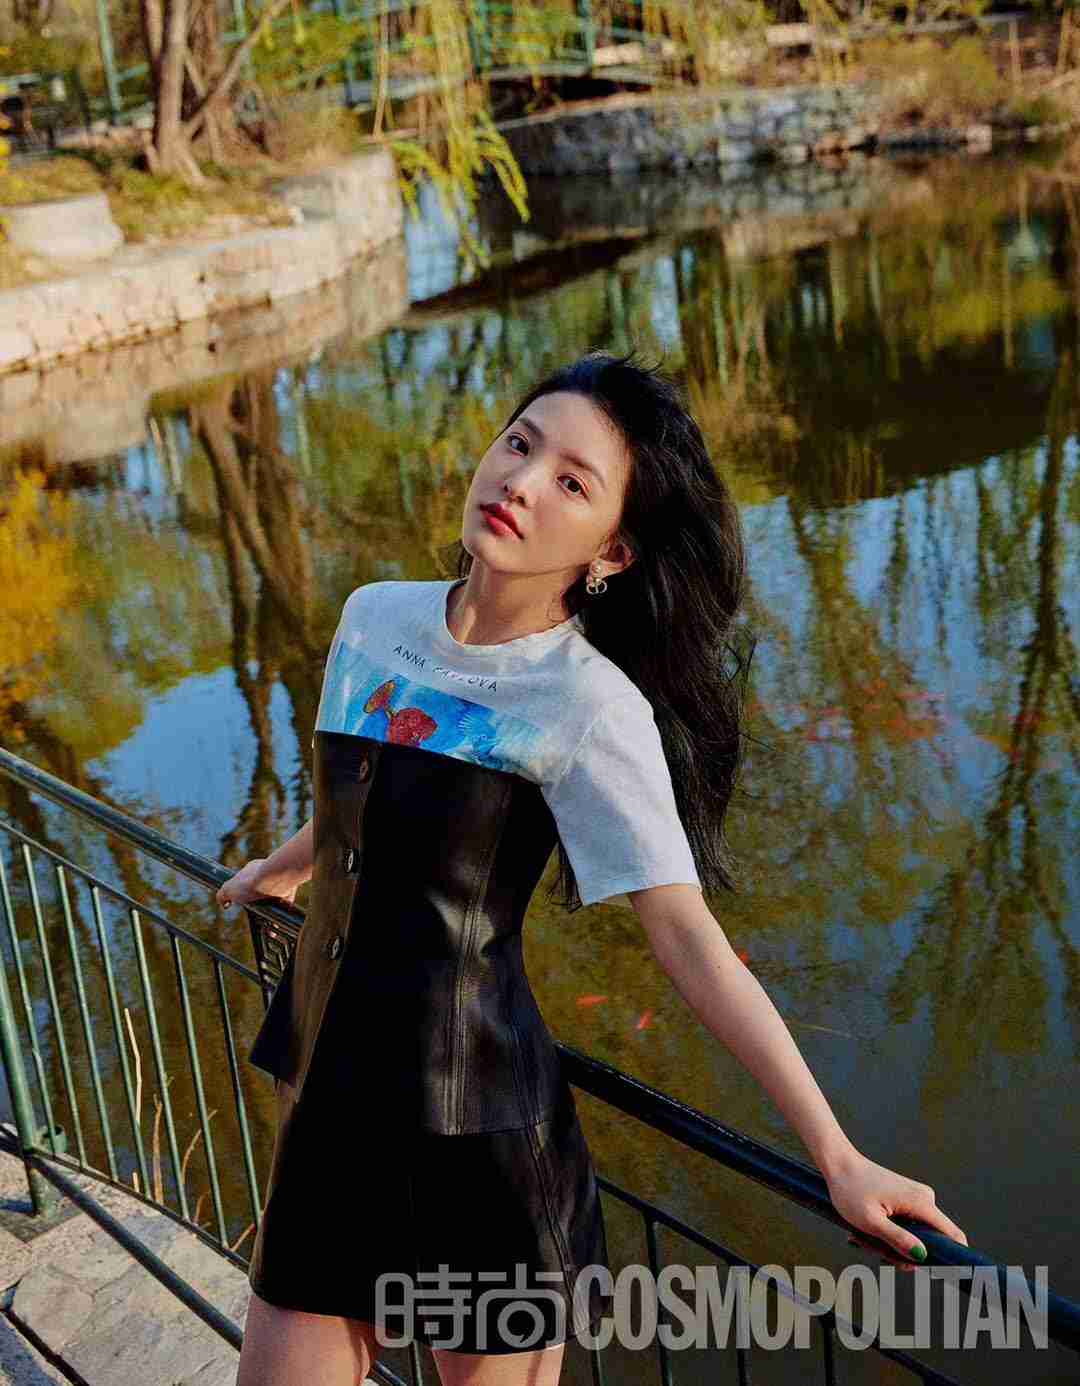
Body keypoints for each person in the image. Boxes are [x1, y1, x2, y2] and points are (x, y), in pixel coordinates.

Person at [219, 353, 969, 1386]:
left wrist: (837, 1158)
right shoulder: (373, 616)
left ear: (610, 550)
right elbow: (361, 797)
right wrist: (284, 868)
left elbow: (687, 938)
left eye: (571, 481)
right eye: (519, 443)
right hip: (331, 1109)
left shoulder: (587, 704)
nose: (521, 481)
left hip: (479, 1144)